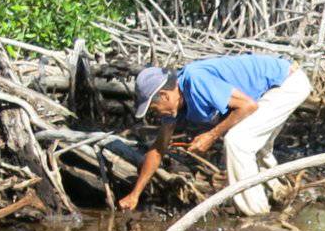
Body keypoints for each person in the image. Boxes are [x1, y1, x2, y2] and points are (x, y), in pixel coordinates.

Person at [120, 55, 313, 217]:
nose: (157, 114)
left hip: (287, 83)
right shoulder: (174, 107)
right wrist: (135, 194)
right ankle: (279, 192)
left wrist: (211, 135)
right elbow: (158, 148)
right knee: (254, 144)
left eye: (154, 108)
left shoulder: (196, 81)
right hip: (274, 89)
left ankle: (257, 216)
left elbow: (248, 106)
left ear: (164, 95)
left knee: (238, 141)